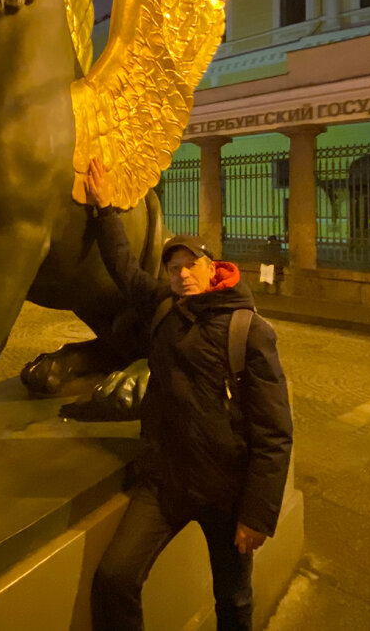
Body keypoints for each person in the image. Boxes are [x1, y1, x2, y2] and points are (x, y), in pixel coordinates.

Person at [84, 158, 293, 631]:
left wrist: (258, 514)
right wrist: (105, 210)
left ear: (211, 267)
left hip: (227, 493)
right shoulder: (165, 309)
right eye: (173, 267)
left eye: (189, 265)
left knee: (234, 599)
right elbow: (123, 268)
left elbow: (274, 432)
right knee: (115, 578)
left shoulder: (248, 330)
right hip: (165, 484)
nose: (180, 274)